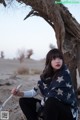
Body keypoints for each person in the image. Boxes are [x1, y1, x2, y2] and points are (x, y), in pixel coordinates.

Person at [11, 48, 78, 120]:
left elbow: (53, 96)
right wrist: (19, 93)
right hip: (50, 107)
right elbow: (34, 92)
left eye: (60, 58)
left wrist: (43, 103)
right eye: (54, 59)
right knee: (24, 101)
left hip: (67, 113)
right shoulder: (46, 75)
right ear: (49, 61)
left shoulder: (65, 73)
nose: (57, 61)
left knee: (51, 101)